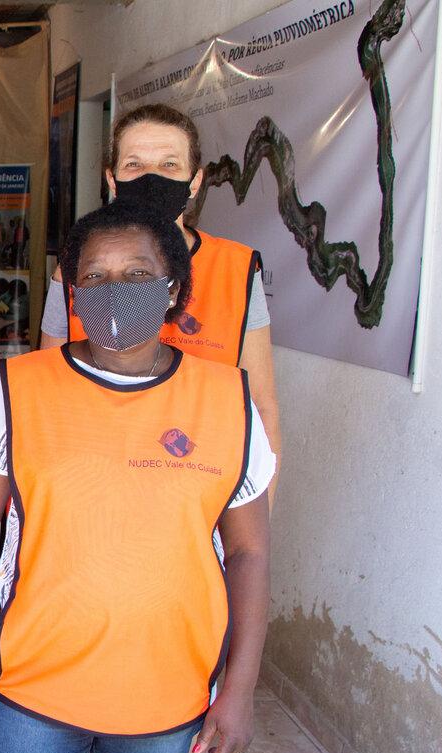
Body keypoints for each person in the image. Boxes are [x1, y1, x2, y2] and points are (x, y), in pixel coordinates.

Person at [0, 202, 275, 753]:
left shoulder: (226, 401)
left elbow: (248, 553)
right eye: (94, 277)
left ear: (173, 289)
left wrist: (239, 689)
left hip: (167, 697)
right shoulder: (19, 390)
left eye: (138, 275)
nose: (114, 291)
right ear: (72, 292)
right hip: (34, 695)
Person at [39, 103, 282, 498]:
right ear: (112, 180)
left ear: (195, 180)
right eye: (134, 165)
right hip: (95, 487)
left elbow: (261, 408)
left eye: (169, 165)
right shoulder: (74, 270)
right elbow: (45, 392)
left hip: (204, 495)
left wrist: (258, 525)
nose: (152, 178)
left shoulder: (236, 270)